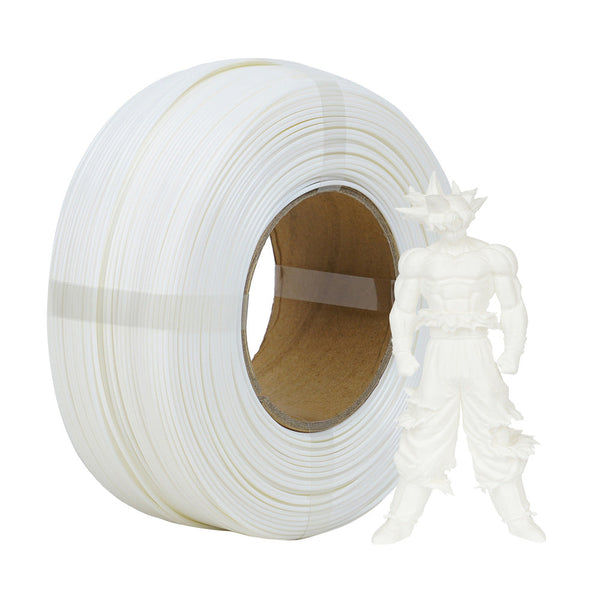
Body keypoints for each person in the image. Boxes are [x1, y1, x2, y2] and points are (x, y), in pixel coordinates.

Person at [372, 173, 545, 544]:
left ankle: (518, 517)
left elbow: (513, 307)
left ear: (469, 212)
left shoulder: (492, 256)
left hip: (478, 349)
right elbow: (403, 310)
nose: (450, 220)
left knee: (494, 429)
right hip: (439, 352)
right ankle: (400, 520)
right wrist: (402, 352)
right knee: (424, 431)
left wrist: (513, 350)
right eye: (441, 214)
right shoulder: (420, 261)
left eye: (456, 212)